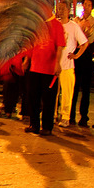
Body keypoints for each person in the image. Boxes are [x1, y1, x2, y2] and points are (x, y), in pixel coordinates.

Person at [24, 7, 66, 136]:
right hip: (35, 67)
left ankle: (47, 126)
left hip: (49, 69)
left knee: (48, 99)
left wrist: (57, 63)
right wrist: (27, 60)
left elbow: (60, 46)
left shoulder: (57, 25)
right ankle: (34, 124)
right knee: (33, 97)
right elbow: (31, 44)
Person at [71, 0, 94, 127]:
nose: (86, 7)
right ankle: (70, 114)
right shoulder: (76, 20)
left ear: (92, 7)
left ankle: (84, 116)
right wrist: (82, 28)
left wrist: (81, 30)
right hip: (76, 53)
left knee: (86, 88)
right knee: (74, 86)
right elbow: (75, 36)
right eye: (85, 4)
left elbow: (88, 36)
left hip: (87, 54)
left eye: (89, 5)